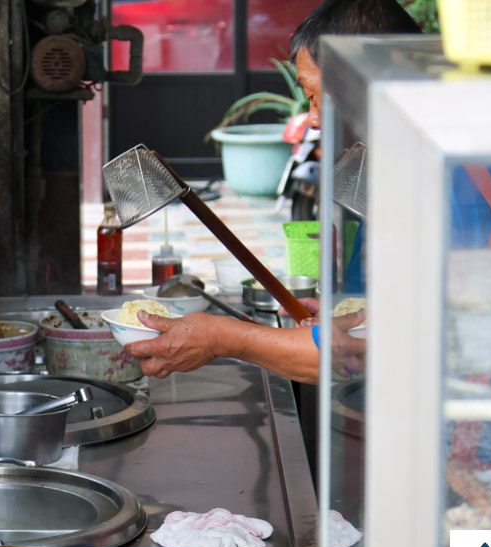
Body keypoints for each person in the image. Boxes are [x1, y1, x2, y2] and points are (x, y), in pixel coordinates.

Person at [123, 0, 421, 384]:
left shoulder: (428, 185)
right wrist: (343, 319)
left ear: (368, 79)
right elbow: (381, 327)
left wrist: (219, 337)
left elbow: (361, 352)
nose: (313, 119)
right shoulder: (405, 167)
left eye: (315, 96)